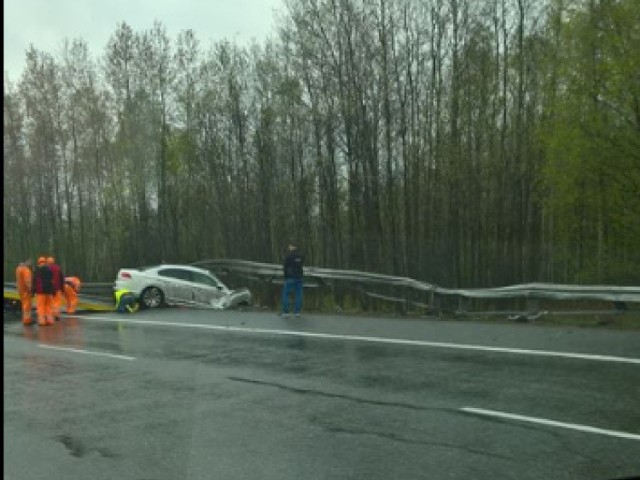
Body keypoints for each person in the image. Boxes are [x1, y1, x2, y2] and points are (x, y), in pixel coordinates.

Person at [281, 243, 304, 317]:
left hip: (290, 277)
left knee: (286, 294)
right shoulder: (301, 256)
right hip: (299, 277)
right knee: (298, 295)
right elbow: (301, 265)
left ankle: (286, 312)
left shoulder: (288, 256)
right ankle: (297, 312)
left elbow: (285, 267)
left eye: (290, 246)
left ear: (292, 247)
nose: (289, 247)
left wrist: (285, 277)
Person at [32, 256, 54, 326]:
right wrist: (53, 290)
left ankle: (42, 321)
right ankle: (49, 320)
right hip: (49, 292)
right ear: (45, 262)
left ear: (38, 262)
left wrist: (33, 291)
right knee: (49, 306)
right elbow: (52, 281)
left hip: (40, 292)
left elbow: (34, 281)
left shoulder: (37, 270)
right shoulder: (49, 269)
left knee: (41, 307)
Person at [15, 258, 33, 325]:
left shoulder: (18, 269)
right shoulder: (26, 270)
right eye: (29, 262)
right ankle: (27, 320)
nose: (30, 263)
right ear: (26, 262)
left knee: (24, 305)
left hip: (20, 290)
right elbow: (27, 281)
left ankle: (26, 319)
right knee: (27, 306)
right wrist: (30, 289)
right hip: (26, 291)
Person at [47, 257, 64, 321]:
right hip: (58, 288)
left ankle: (50, 316)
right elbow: (62, 278)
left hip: (49, 289)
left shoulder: (46, 268)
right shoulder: (58, 268)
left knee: (50, 303)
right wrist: (62, 289)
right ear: (53, 262)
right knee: (57, 303)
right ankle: (56, 315)